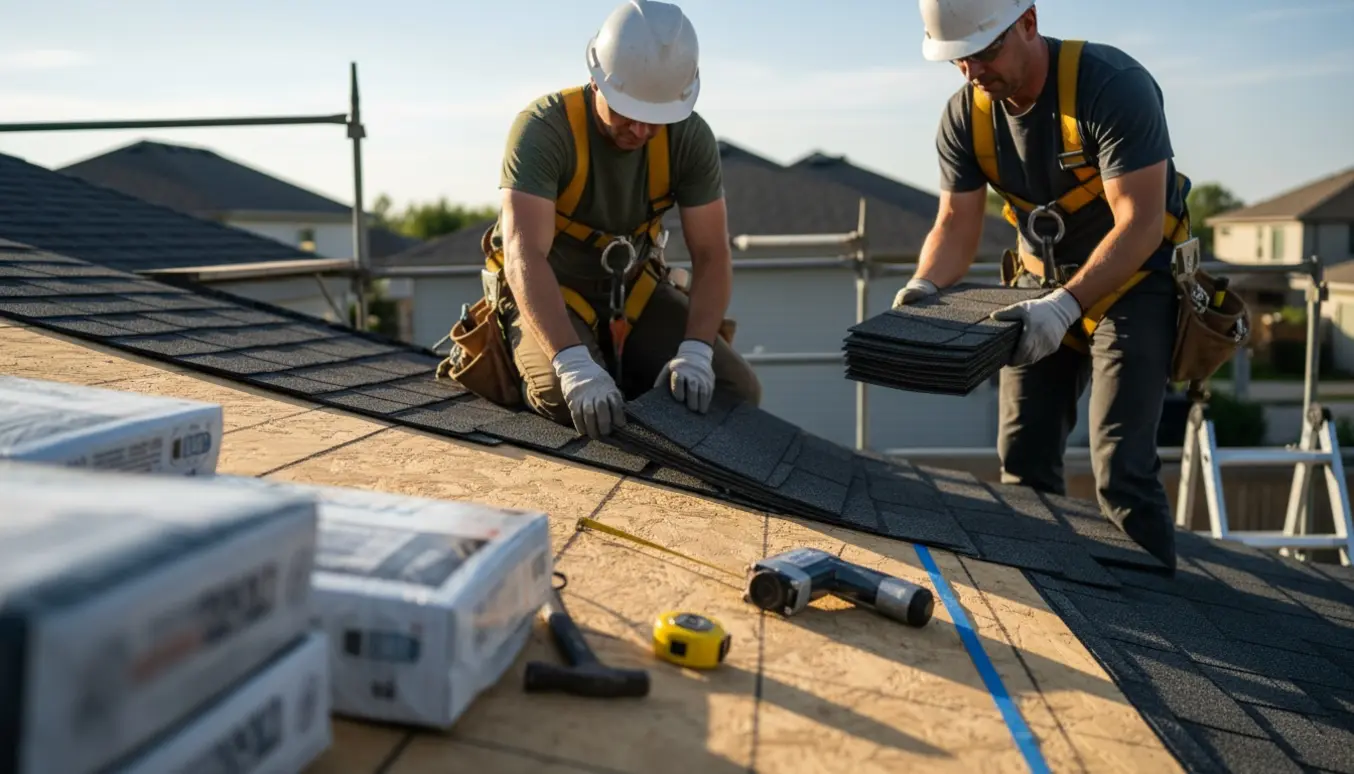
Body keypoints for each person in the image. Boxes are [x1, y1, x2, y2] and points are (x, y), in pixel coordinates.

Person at [895, 0, 1196, 571]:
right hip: (1037, 288)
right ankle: (1053, 590)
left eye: (983, 52)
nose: (973, 72)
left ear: (1029, 22)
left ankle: (1158, 609)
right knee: (1023, 458)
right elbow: (956, 223)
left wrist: (1065, 307)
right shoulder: (969, 115)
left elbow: (1140, 224)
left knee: (1121, 463)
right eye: (958, 60)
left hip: (1132, 282)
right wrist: (923, 286)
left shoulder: (1111, 87)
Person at [482, 0, 760, 440]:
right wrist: (574, 364)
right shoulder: (544, 130)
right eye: (629, 114)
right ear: (597, 81)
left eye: (656, 119)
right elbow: (523, 254)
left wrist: (694, 352)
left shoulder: (687, 137)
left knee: (733, 389)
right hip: (553, 292)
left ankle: (628, 380)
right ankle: (582, 364)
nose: (641, 131)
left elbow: (711, 253)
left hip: (634, 291)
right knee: (561, 395)